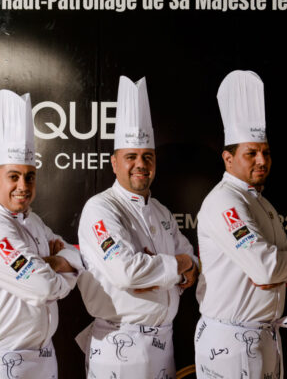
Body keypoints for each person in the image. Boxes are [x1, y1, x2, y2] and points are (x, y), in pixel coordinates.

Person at [0, 89, 83, 379]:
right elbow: (43, 287)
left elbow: (76, 257)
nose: (23, 186)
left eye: (29, 176)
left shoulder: (33, 221)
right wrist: (60, 265)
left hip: (41, 361)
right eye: (13, 176)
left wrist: (55, 262)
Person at [75, 76, 198, 379]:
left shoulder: (161, 211)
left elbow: (191, 260)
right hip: (120, 348)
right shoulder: (101, 208)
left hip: (163, 346)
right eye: (131, 157)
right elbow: (127, 272)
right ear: (114, 162)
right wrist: (177, 266)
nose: (140, 164)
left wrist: (167, 268)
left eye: (147, 157)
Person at [194, 70, 287, 379]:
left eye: (265, 152)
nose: (261, 160)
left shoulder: (262, 203)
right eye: (251, 153)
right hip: (230, 346)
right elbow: (266, 269)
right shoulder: (225, 201)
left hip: (262, 338)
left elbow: (283, 264)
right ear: (228, 158)